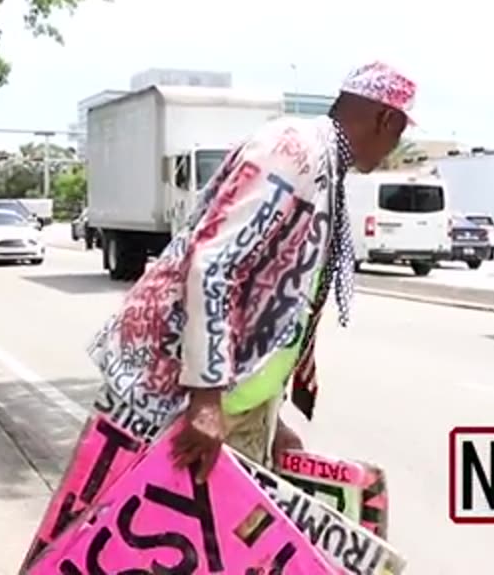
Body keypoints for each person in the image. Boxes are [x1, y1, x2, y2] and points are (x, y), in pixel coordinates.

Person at [86, 61, 414, 476]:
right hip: (188, 402)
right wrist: (206, 397)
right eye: (399, 133)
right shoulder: (295, 151)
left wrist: (269, 418)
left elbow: (277, 305)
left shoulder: (326, 168)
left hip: (235, 405)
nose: (395, 147)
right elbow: (214, 264)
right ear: (385, 118)